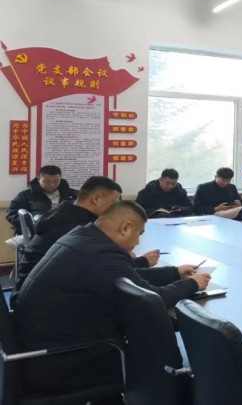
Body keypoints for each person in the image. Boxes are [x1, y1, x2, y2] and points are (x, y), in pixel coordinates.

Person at [14, 201, 210, 396]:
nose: (138, 242)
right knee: (152, 328)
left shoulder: (82, 237)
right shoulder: (100, 253)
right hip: (64, 361)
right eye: (139, 234)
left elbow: (125, 277)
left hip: (37, 347)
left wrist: (174, 273)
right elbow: (151, 299)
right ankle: (175, 388)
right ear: (125, 228)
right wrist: (192, 284)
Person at [14, 176, 160, 293]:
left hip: (29, 292)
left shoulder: (63, 215)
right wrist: (142, 262)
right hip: (44, 302)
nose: (116, 209)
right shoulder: (79, 229)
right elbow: (106, 270)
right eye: (114, 203)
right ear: (96, 199)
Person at [6, 165, 78, 235]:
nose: (52, 184)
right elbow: (11, 213)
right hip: (36, 233)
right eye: (47, 181)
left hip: (67, 233)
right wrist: (31, 223)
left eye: (56, 181)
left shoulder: (72, 194)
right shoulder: (26, 195)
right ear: (39, 179)